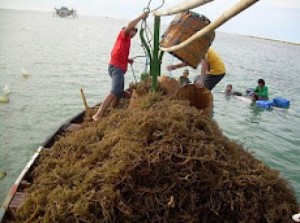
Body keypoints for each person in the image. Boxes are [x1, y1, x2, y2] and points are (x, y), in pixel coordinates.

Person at [92, 12, 149, 121]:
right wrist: (141, 17)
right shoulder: (123, 34)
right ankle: (98, 115)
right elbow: (130, 25)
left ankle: (113, 110)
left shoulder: (126, 41)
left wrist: (128, 59)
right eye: (134, 32)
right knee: (115, 91)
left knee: (120, 92)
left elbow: (119, 53)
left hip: (119, 68)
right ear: (129, 30)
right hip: (116, 68)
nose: (134, 35)